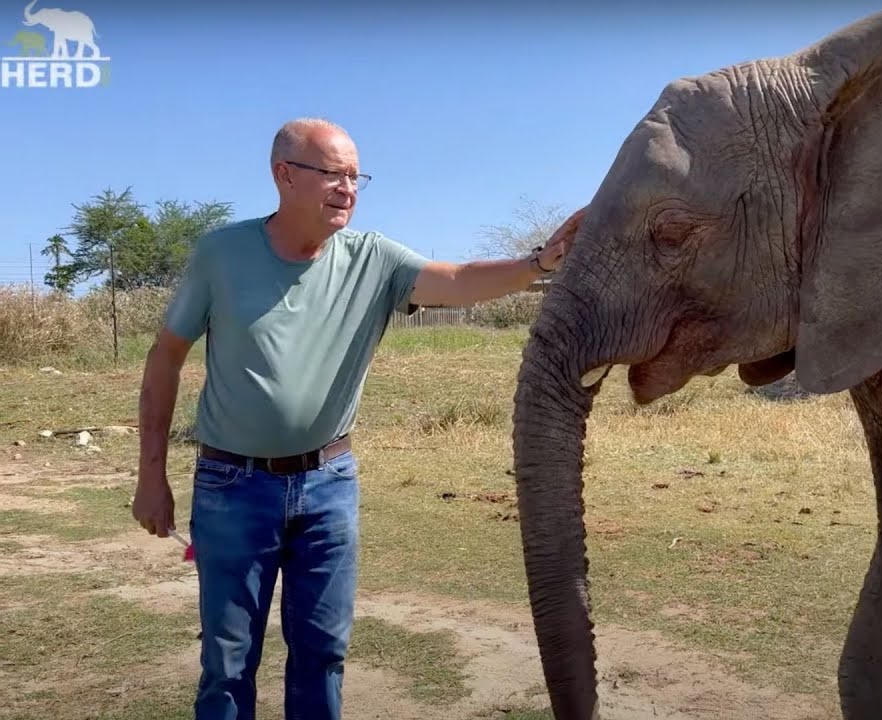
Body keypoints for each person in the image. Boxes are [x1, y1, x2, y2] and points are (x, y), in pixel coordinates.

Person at [130, 116, 584, 720]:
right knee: (228, 660)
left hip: (328, 487)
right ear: (284, 175)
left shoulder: (373, 259)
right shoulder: (220, 253)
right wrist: (150, 476)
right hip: (232, 487)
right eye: (333, 174)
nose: (348, 189)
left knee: (323, 653)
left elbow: (455, 280)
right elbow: (166, 358)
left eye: (355, 176)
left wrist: (536, 262)